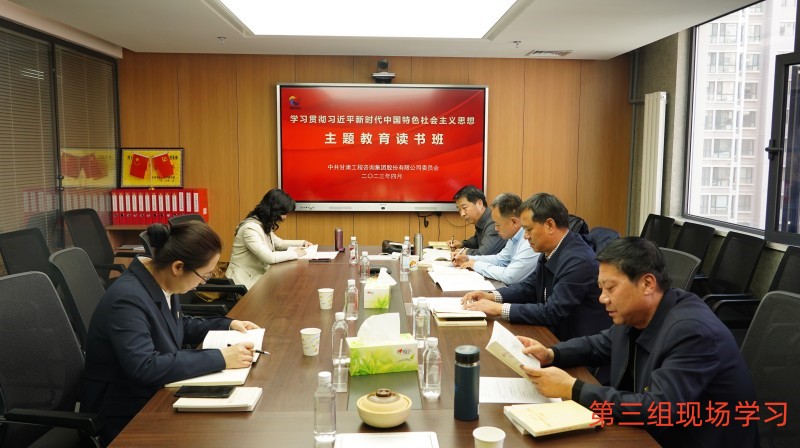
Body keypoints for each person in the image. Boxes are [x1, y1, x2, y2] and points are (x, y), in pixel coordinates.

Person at [518, 237, 759, 447]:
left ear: (647, 284)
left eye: (610, 288)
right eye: (600, 288)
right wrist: (552, 354)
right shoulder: (637, 313)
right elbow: (600, 344)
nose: (602, 298)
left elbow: (658, 410)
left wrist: (573, 388)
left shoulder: (693, 332)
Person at [82, 221, 259, 445]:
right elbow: (145, 366)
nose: (202, 283)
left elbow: (176, 324)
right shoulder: (127, 299)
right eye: (203, 276)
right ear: (178, 267)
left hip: (152, 394)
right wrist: (221, 358)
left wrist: (227, 325)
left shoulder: (158, 279)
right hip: (123, 414)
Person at [462, 193, 610, 341]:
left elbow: (552, 311)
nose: (525, 236)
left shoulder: (578, 260)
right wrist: (492, 296)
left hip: (576, 343)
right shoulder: (551, 249)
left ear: (550, 225)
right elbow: (530, 286)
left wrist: (500, 309)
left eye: (528, 229)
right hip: (555, 334)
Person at [226, 188, 313, 289]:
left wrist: (302, 243)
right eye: (284, 213)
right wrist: (295, 253)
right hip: (243, 283)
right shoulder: (250, 229)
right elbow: (269, 257)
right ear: (275, 210)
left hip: (256, 277)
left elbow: (278, 243)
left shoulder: (262, 223)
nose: (285, 217)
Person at [453, 192, 539, 285]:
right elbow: (500, 260)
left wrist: (475, 264)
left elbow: (510, 276)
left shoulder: (530, 241)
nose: (495, 229)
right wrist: (468, 258)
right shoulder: (514, 236)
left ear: (514, 222)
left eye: (498, 224)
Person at [449, 185, 505, 256]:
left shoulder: (494, 222)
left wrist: (463, 252)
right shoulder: (483, 219)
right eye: (459, 210)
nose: (462, 214)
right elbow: (477, 240)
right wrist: (462, 244)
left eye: (464, 208)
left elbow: (484, 253)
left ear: (479, 204)